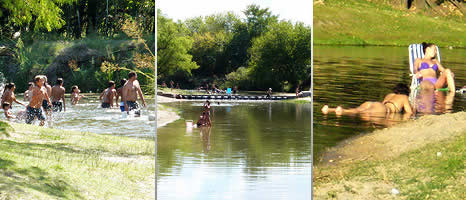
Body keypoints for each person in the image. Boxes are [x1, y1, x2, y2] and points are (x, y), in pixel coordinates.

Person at [321, 83, 413, 115]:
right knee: (359, 112)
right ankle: (342, 111)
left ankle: (329, 109)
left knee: (357, 110)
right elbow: (409, 113)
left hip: (374, 103)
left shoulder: (389, 94)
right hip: (384, 109)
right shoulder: (404, 97)